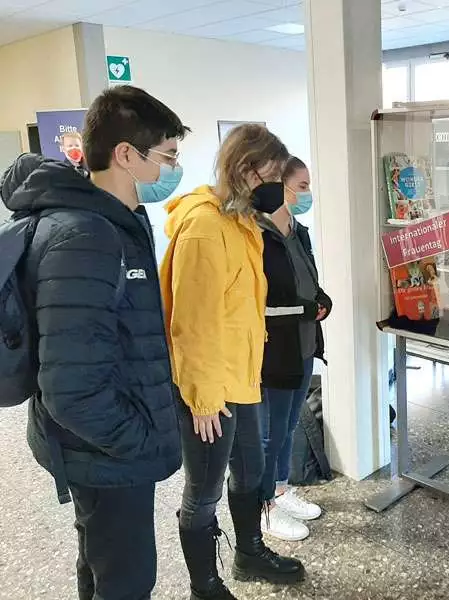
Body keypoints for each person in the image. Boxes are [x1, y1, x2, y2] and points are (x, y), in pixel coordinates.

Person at [0, 85, 187, 600]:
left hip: (102, 445)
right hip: (106, 450)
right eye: (167, 156)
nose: (172, 170)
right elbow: (71, 388)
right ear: (125, 155)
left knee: (103, 565)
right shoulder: (86, 235)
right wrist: (140, 442)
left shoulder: (113, 223)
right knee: (125, 579)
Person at [161, 124, 305, 600]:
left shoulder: (239, 224)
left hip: (242, 377)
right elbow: (192, 323)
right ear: (245, 170)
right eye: (272, 176)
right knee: (204, 489)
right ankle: (205, 585)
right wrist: (201, 400)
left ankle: (249, 553)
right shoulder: (203, 227)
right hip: (209, 390)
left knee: (250, 469)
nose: (277, 188)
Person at [257, 156, 332, 542]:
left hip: (304, 347)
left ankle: (281, 489)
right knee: (271, 432)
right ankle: (263, 507)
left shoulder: (298, 232)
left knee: (288, 428)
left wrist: (322, 299)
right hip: (275, 352)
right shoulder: (259, 235)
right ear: (279, 187)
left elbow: (308, 282)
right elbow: (259, 303)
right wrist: (305, 308)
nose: (307, 193)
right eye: (300, 186)